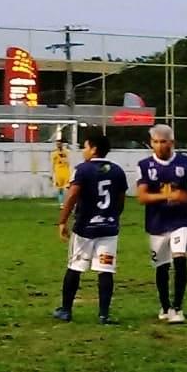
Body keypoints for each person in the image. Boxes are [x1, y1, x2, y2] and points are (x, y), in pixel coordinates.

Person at [52, 133, 128, 324]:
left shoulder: (82, 170)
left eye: (85, 147)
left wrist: (62, 221)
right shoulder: (118, 171)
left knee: (75, 267)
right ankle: (104, 314)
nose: (83, 151)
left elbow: (71, 197)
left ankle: (66, 310)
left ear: (93, 149)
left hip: (85, 228)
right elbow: (121, 200)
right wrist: (112, 217)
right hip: (108, 229)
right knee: (106, 269)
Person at [137, 124, 187, 324]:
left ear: (172, 143)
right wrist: (167, 195)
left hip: (180, 221)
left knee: (180, 260)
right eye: (156, 142)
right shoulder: (144, 165)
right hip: (156, 223)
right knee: (161, 267)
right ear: (151, 143)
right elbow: (141, 197)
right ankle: (165, 305)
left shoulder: (184, 163)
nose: (159, 146)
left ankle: (178, 308)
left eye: (163, 142)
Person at [50, 138, 71, 205]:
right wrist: (52, 174)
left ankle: (69, 202)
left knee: (69, 187)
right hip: (58, 173)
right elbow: (53, 164)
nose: (58, 145)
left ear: (62, 144)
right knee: (60, 189)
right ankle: (61, 203)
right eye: (57, 144)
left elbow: (68, 162)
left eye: (59, 143)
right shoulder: (54, 153)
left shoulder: (66, 152)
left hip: (65, 172)